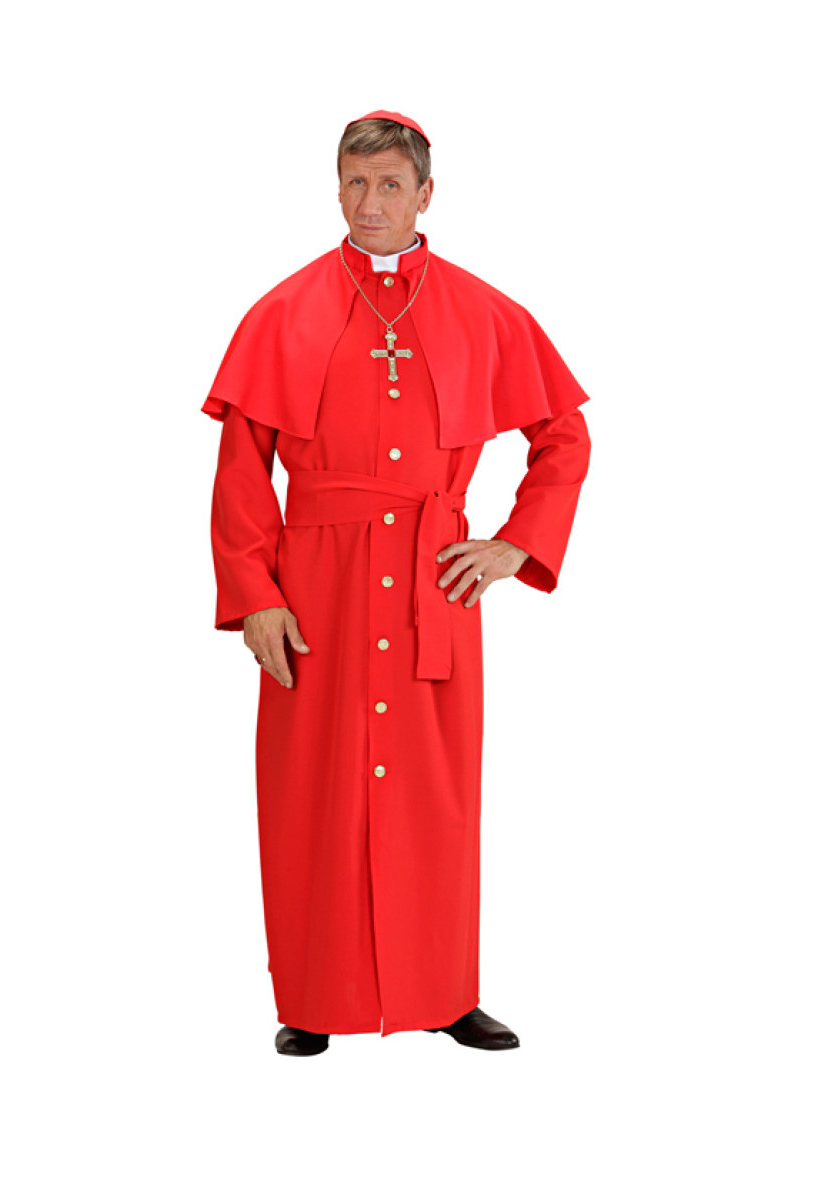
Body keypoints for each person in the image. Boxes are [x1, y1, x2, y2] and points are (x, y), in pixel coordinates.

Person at [202, 110, 592, 1056]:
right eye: (354, 182)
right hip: (317, 588)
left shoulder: (485, 312)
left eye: (388, 185)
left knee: (436, 796)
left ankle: (445, 992)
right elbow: (243, 469)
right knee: (310, 791)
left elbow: (564, 438)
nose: (368, 202)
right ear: (335, 188)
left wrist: (515, 545)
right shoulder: (283, 311)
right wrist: (255, 594)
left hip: (433, 581)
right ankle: (312, 999)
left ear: (425, 194)